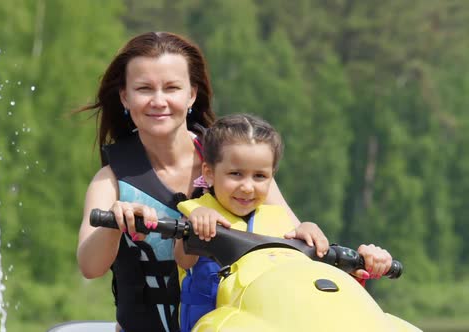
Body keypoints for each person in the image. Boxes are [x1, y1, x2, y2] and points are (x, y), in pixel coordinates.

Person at [76, 32, 328, 332]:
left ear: (191, 94)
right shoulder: (110, 181)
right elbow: (90, 267)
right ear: (125, 97)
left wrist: (341, 248)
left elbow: (295, 248)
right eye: (144, 89)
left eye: (171, 88)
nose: (159, 101)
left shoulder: (241, 169)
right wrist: (117, 224)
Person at [172, 114, 393, 332]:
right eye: (236, 174)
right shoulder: (197, 213)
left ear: (272, 176)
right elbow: (184, 260)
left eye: (259, 176)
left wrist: (314, 238)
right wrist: (197, 225)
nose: (248, 187)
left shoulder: (280, 221)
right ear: (209, 174)